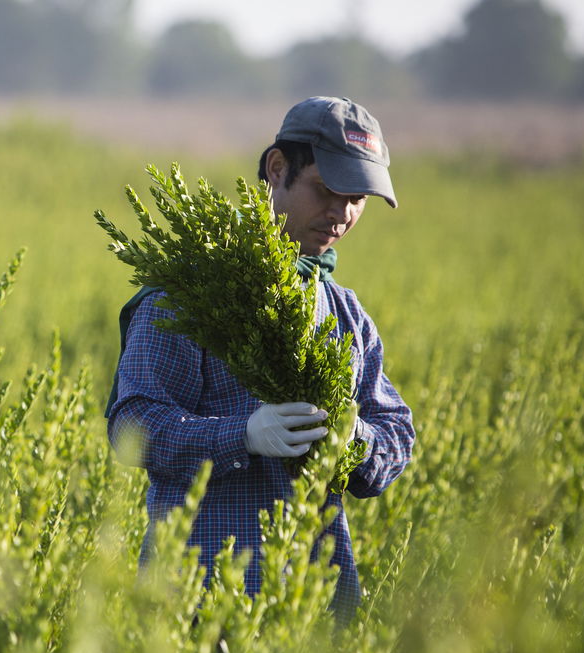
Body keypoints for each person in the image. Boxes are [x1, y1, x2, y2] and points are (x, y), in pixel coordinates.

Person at [105, 96, 415, 619]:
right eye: (326, 190)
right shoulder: (189, 297)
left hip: (316, 610)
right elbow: (132, 426)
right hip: (194, 607)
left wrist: (354, 440)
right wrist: (242, 436)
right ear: (277, 168)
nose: (341, 214)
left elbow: (396, 433)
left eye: (357, 199)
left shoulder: (345, 313)